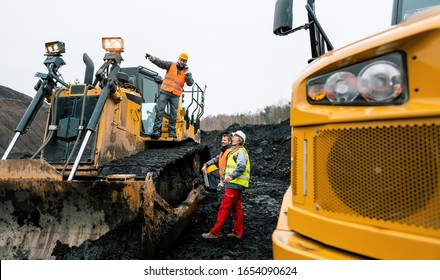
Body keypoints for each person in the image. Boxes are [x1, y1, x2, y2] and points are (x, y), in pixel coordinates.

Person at [202, 130, 251, 239]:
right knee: (237, 209)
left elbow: (241, 167)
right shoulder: (235, 151)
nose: (232, 138)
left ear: (240, 140)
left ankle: (215, 232)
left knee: (224, 207)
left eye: (235, 137)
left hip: (234, 183)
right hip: (235, 184)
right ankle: (238, 232)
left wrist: (230, 176)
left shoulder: (241, 151)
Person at [145, 52, 194, 139]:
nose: (182, 62)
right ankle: (156, 130)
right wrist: (153, 58)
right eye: (181, 60)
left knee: (173, 114)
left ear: (186, 62)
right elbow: (161, 63)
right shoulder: (171, 65)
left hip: (175, 95)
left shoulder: (187, 72)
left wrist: (187, 74)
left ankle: (171, 132)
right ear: (179, 59)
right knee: (160, 111)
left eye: (184, 61)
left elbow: (190, 83)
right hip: (165, 92)